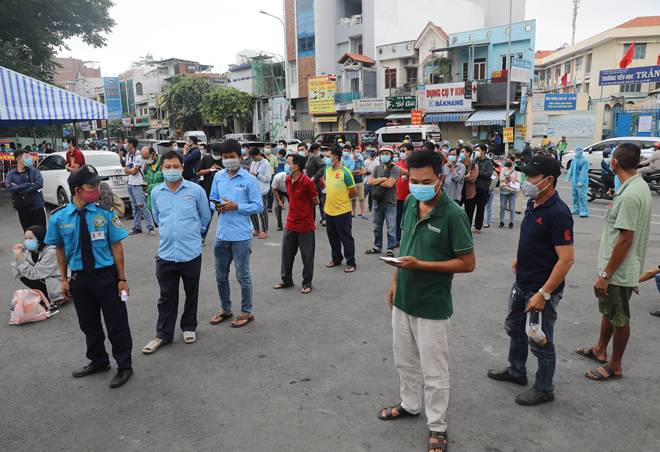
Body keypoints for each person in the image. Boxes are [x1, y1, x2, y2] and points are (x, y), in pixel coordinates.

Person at [379, 150, 475, 452]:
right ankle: (409, 404)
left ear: (440, 179)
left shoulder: (453, 215)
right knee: (404, 361)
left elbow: (467, 263)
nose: (419, 186)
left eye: (427, 181)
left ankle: (437, 426)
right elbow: (405, 243)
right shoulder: (409, 202)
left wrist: (420, 266)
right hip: (404, 299)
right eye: (413, 179)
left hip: (432, 306)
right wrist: (395, 281)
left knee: (434, 371)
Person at [488, 155, 574, 405]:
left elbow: (566, 259)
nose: (526, 181)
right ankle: (516, 371)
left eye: (532, 177)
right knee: (514, 328)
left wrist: (544, 293)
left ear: (548, 180)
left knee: (540, 339)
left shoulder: (558, 212)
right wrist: (519, 258)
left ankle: (544, 388)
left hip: (541, 290)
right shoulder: (533, 204)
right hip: (523, 282)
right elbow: (534, 240)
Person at [44, 166, 133, 388]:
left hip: (106, 276)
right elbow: (60, 249)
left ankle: (124, 366)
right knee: (89, 324)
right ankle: (99, 361)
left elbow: (116, 246)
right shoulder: (59, 216)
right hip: (80, 279)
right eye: (91, 186)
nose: (97, 190)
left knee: (117, 324)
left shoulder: (105, 212)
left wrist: (121, 278)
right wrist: (64, 279)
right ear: (77, 190)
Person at [576, 143, 652, 382]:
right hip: (620, 268)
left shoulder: (630, 194)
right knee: (609, 311)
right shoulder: (636, 185)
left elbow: (625, 241)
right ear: (638, 162)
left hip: (618, 269)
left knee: (619, 317)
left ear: (614, 162)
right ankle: (600, 349)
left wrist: (606, 275)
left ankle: (615, 365)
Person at [142, 150, 212, 354]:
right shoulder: (155, 192)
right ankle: (163, 334)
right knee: (166, 296)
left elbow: (205, 216)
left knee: (192, 293)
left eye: (175, 167)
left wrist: (191, 235)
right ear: (161, 169)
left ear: (182, 167)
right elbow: (157, 217)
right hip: (165, 254)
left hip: (191, 253)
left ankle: (189, 326)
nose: (171, 170)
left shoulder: (196, 190)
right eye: (167, 167)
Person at [209, 139, 263, 328]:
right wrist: (218, 206)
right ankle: (226, 309)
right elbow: (212, 200)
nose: (229, 160)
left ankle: (246, 312)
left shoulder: (249, 179)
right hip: (221, 235)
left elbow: (258, 206)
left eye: (232, 157)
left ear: (240, 157)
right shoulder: (218, 177)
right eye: (225, 157)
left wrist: (236, 206)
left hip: (241, 236)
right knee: (220, 276)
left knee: (243, 276)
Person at [274, 154, 319, 293]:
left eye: (287, 162)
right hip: (290, 223)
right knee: (287, 255)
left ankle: (307, 282)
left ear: (296, 166)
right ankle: (286, 280)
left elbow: (315, 201)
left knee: (307, 256)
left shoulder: (307, 182)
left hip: (305, 224)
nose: (285, 164)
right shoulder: (288, 179)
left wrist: (304, 211)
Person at [11, 225, 65, 307]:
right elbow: (18, 272)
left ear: (40, 238)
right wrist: (17, 256)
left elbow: (34, 273)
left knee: (29, 275)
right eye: (26, 238)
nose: (27, 241)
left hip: (57, 281)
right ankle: (46, 296)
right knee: (23, 275)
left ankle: (58, 298)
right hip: (43, 277)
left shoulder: (51, 252)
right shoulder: (31, 251)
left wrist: (19, 257)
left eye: (31, 238)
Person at [324, 144, 358, 273]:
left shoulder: (345, 172)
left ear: (336, 158)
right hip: (329, 210)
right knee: (332, 237)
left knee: (346, 238)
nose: (326, 159)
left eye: (328, 156)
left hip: (343, 211)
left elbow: (353, 191)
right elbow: (325, 182)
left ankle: (351, 262)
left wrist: (342, 199)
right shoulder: (327, 170)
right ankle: (336, 258)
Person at [366, 146, 400, 258]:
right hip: (377, 203)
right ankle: (377, 246)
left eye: (387, 153)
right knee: (377, 227)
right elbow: (370, 182)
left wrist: (377, 181)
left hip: (390, 203)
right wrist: (384, 179)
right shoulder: (377, 168)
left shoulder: (395, 169)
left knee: (391, 228)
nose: (384, 155)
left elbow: (390, 184)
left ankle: (390, 249)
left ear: (391, 155)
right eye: (383, 153)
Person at [6, 148, 47, 230]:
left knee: (42, 232)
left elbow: (39, 184)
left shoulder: (35, 171)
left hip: (37, 207)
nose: (29, 159)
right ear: (18, 159)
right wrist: (28, 184)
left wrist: (21, 190)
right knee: (28, 233)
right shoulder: (11, 174)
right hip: (22, 208)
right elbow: (10, 188)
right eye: (26, 157)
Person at [124, 137, 155, 236]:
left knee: (142, 206)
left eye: (126, 143)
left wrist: (130, 170)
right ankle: (137, 227)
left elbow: (133, 171)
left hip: (138, 185)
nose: (124, 145)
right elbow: (126, 170)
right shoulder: (128, 155)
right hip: (130, 184)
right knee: (134, 206)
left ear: (131, 144)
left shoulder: (139, 156)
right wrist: (129, 170)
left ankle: (150, 227)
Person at [197, 142, 224, 245]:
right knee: (207, 217)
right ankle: (202, 237)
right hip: (208, 192)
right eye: (215, 153)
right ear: (211, 151)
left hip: (222, 194)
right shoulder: (206, 159)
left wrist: (222, 171)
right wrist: (210, 170)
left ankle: (224, 238)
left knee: (224, 217)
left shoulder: (224, 159)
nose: (217, 156)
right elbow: (198, 172)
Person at [249, 147, 272, 239]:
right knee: (252, 210)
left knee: (262, 210)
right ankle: (256, 229)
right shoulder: (253, 162)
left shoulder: (266, 163)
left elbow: (268, 178)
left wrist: (257, 175)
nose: (253, 158)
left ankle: (264, 230)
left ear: (259, 154)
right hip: (253, 189)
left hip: (262, 190)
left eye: (254, 156)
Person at [395, 142, 414, 247]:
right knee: (397, 219)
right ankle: (397, 240)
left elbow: (419, 175)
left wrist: (407, 172)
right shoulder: (398, 164)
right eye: (401, 151)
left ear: (410, 152)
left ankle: (409, 240)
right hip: (398, 196)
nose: (401, 153)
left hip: (412, 196)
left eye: (403, 151)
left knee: (410, 219)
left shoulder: (415, 164)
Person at [473, 144, 494, 234]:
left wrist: (477, 172)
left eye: (478, 150)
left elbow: (488, 174)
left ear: (483, 151)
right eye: (476, 150)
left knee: (480, 208)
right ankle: (468, 225)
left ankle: (478, 227)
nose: (476, 151)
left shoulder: (489, 162)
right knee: (470, 208)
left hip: (483, 188)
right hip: (473, 187)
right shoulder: (475, 160)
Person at [305, 143, 326, 223]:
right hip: (307, 184)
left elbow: (323, 166)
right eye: (319, 150)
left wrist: (315, 177)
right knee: (311, 203)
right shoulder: (302, 158)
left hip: (315, 183)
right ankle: (312, 220)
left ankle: (324, 218)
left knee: (320, 201)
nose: (319, 152)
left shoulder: (315, 157)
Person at [566, 146, 589, 218]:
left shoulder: (584, 161)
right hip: (574, 181)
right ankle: (576, 209)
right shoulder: (574, 160)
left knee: (582, 196)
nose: (575, 152)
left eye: (576, 151)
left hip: (582, 182)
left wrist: (581, 181)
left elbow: (583, 172)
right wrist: (568, 178)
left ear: (580, 151)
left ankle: (584, 210)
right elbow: (571, 169)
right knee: (575, 195)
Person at [498, 156, 521, 229]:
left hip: (512, 191)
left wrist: (508, 178)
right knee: (502, 207)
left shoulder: (516, 170)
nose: (507, 163)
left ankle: (511, 222)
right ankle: (501, 221)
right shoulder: (503, 169)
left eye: (509, 161)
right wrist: (511, 178)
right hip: (504, 190)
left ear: (513, 162)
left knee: (512, 207)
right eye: (506, 161)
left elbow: (519, 180)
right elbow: (501, 178)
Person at [140, 146, 164, 212]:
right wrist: (144, 185)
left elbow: (167, 182)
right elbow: (145, 178)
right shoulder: (147, 165)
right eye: (143, 158)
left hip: (162, 197)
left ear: (153, 154)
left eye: (146, 158)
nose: (145, 160)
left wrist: (150, 187)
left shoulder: (163, 163)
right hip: (151, 199)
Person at [351, 152, 367, 218]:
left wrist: (354, 172)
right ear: (353, 152)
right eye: (356, 152)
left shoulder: (361, 161)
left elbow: (363, 172)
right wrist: (358, 171)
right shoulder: (351, 161)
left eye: (358, 152)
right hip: (352, 182)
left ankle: (363, 213)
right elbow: (350, 171)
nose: (358, 153)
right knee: (353, 199)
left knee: (361, 198)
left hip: (360, 182)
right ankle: (353, 212)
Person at [264, 142, 278, 212]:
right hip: (262, 177)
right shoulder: (261, 157)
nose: (267, 149)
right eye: (266, 148)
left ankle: (269, 206)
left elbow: (276, 168)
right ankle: (262, 206)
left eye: (269, 148)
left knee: (271, 192)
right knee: (262, 192)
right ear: (264, 149)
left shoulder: (274, 158)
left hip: (271, 176)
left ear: (271, 149)